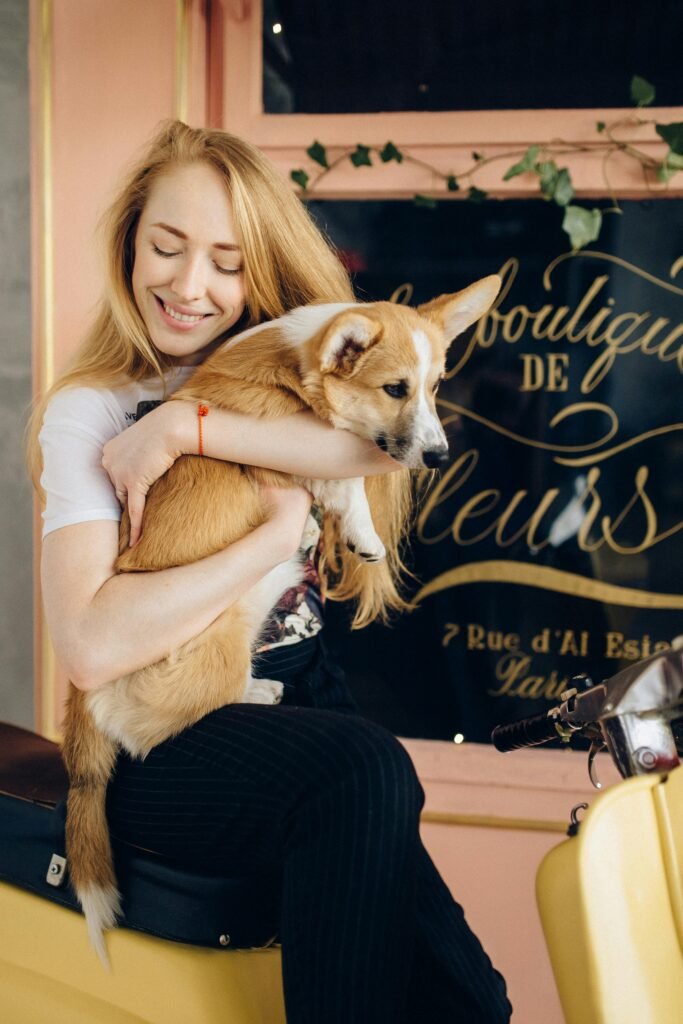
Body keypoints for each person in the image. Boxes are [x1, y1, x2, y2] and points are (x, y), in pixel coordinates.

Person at [28, 121, 511, 1023]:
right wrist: (272, 532)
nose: (189, 284)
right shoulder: (93, 411)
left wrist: (185, 430)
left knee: (471, 1005)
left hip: (298, 701)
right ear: (129, 243)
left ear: (262, 268)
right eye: (165, 247)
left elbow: (382, 445)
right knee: (364, 768)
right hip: (167, 735)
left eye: (226, 259)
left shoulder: (299, 356)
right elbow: (91, 648)